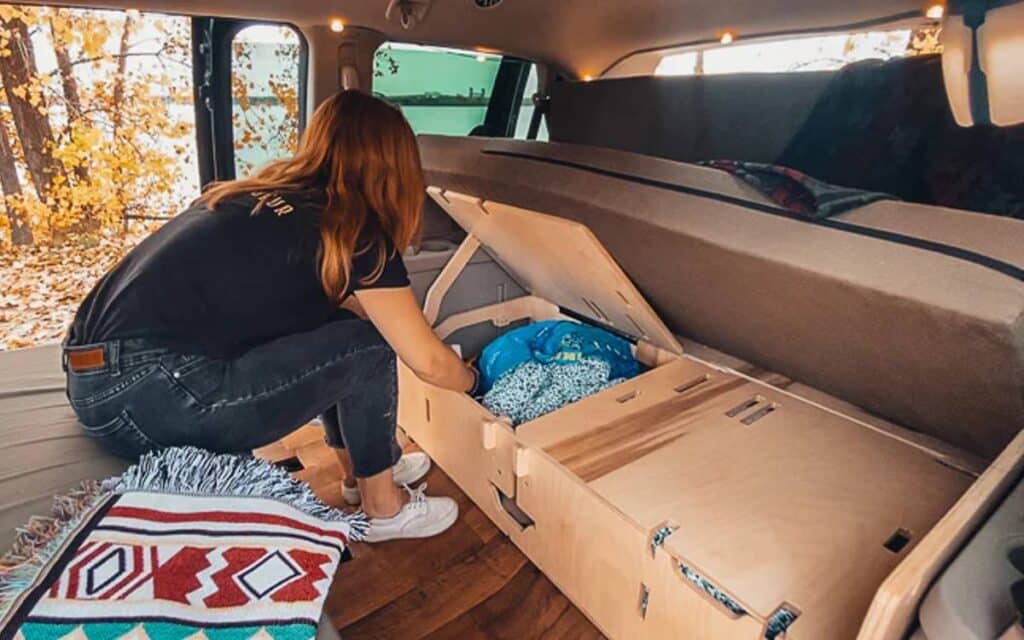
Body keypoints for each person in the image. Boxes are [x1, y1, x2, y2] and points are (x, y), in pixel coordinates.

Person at [62, 90, 477, 542]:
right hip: (149, 397)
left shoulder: (257, 197)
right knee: (369, 348)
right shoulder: (356, 231)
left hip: (92, 381)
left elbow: (342, 315)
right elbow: (428, 362)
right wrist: (474, 382)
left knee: (348, 334)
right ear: (394, 167)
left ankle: (363, 473)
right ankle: (385, 509)